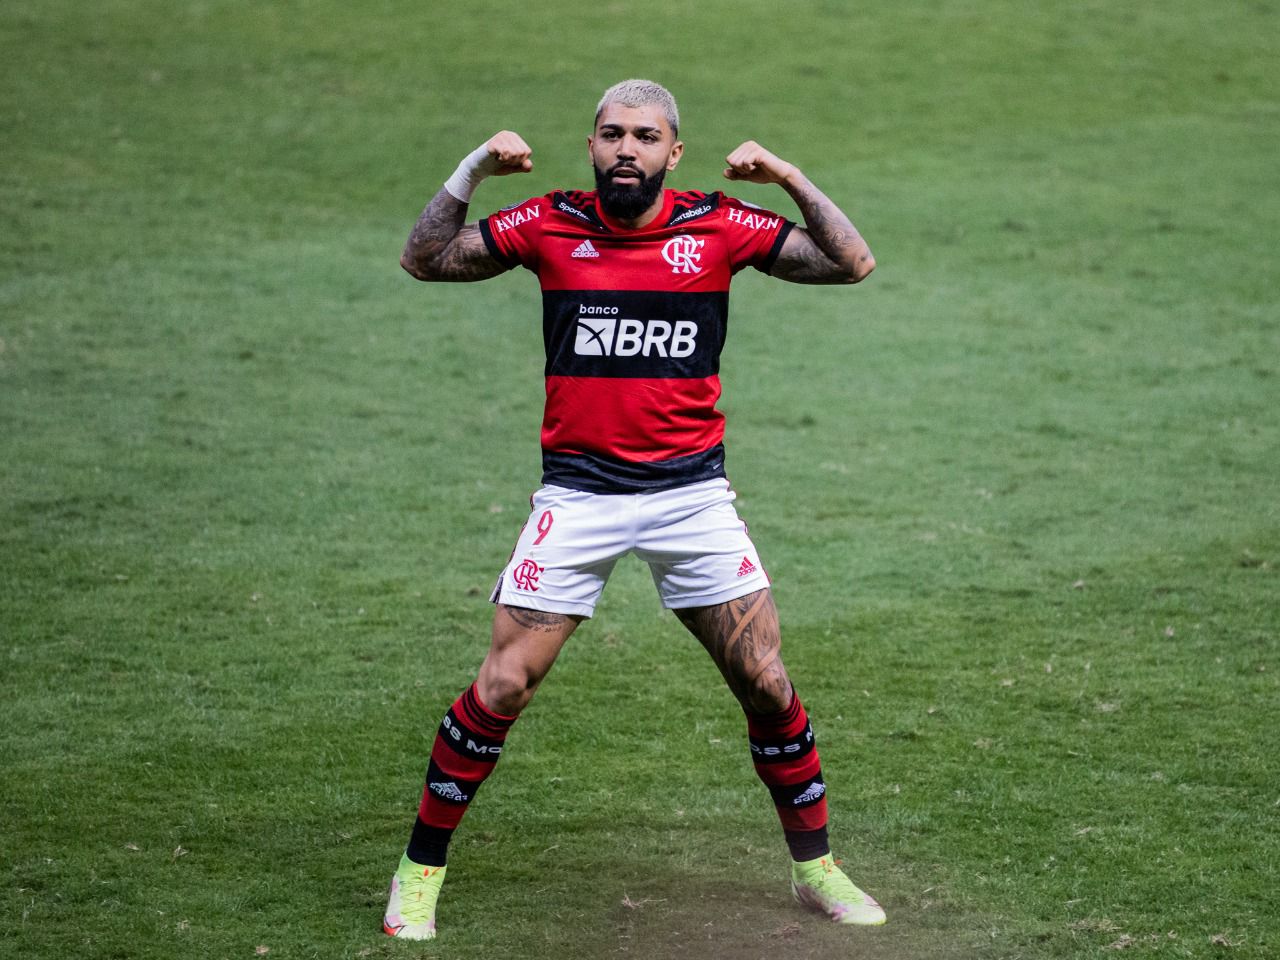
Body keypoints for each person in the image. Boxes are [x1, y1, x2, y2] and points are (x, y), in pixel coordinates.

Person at [383, 79, 882, 941]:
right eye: (611, 134)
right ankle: (417, 875)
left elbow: (852, 261)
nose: (626, 149)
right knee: (503, 683)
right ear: (591, 145)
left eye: (645, 137)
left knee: (765, 682)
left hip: (691, 498)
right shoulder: (548, 223)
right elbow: (424, 258)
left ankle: (818, 870)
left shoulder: (718, 225)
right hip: (579, 496)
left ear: (672, 153)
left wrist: (790, 174)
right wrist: (474, 168)